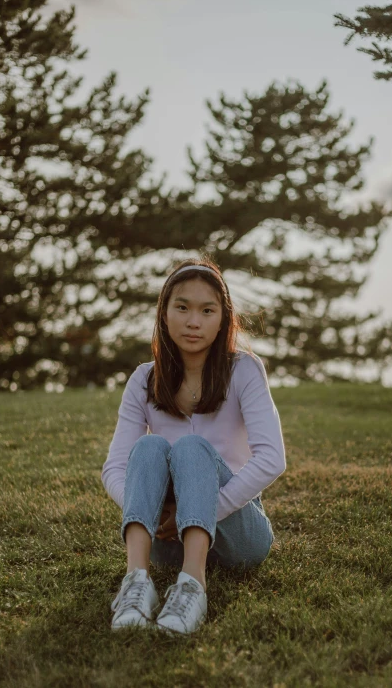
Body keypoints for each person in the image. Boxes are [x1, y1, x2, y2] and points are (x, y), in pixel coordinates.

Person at [101, 258, 286, 635]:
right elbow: (115, 469)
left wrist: (197, 511)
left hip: (240, 536)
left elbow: (272, 459)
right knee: (149, 449)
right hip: (167, 540)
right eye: (182, 307)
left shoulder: (245, 370)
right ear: (164, 313)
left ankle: (193, 586)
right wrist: (153, 514)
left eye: (207, 310)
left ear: (223, 319)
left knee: (190, 447)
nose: (193, 321)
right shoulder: (143, 379)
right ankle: (136, 582)